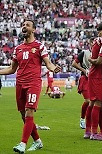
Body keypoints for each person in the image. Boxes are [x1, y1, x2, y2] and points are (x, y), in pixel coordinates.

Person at [0, 19, 61, 153]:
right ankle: (38, 141)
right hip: (20, 83)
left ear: (33, 30)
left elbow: (48, 63)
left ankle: (22, 144)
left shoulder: (40, 46)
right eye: (23, 25)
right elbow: (11, 69)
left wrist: (53, 68)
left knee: (29, 111)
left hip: (33, 83)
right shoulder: (18, 49)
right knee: (23, 115)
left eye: (27, 25)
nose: (24, 27)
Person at [72, 47, 91, 129]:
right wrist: (83, 70)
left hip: (96, 80)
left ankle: (91, 122)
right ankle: (82, 120)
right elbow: (74, 63)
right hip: (85, 79)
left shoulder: (100, 52)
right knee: (88, 100)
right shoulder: (84, 53)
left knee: (95, 102)